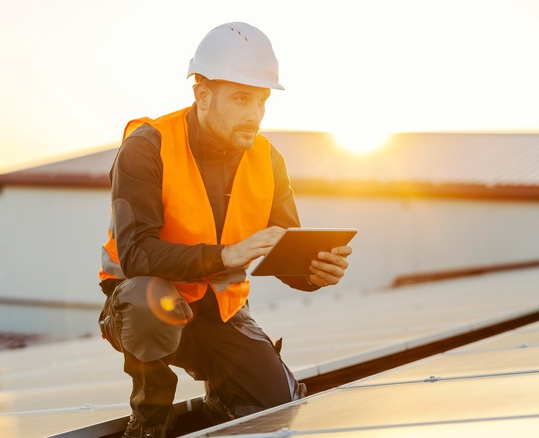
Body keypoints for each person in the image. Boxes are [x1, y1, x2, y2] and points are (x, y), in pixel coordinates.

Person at [98, 22, 352, 438]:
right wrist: (227, 255)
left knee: (279, 405)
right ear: (202, 94)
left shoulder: (268, 160)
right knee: (147, 303)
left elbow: (283, 250)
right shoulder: (147, 148)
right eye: (241, 100)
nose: (254, 115)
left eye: (261, 102)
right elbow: (136, 255)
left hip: (219, 310)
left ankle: (223, 397)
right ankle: (149, 421)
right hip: (142, 310)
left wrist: (312, 273)